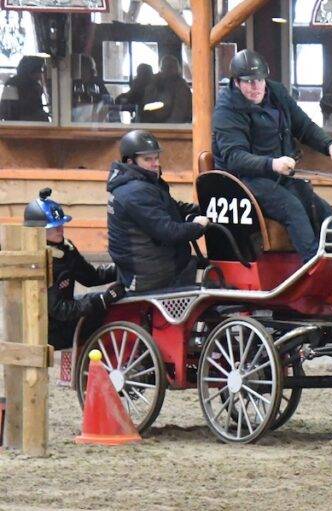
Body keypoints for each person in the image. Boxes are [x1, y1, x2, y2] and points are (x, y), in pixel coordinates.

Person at [212, 49, 332, 261]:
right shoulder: (226, 110)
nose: (256, 86)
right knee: (292, 208)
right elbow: (234, 158)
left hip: (278, 174)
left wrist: (328, 145)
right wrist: (273, 164)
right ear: (236, 82)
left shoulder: (277, 94)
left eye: (259, 80)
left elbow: (304, 126)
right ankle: (314, 264)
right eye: (248, 81)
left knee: (319, 207)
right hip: (243, 180)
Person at [107, 130, 210, 292]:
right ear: (130, 161)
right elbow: (168, 232)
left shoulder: (142, 183)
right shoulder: (135, 191)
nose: (155, 163)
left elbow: (171, 207)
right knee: (198, 268)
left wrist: (205, 209)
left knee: (197, 263)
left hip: (146, 265)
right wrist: (198, 227)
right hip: (149, 275)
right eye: (147, 159)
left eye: (156, 158)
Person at [24, 189, 123, 350]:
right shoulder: (37, 261)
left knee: (110, 303)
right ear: (37, 231)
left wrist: (123, 268)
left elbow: (91, 277)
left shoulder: (66, 248)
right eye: (53, 227)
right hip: (46, 330)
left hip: (62, 317)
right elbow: (59, 310)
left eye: (61, 225)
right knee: (99, 308)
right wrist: (100, 301)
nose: (60, 230)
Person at [139, 56, 192, 123]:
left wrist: (168, 126)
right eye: (164, 67)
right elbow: (147, 102)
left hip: (175, 125)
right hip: (153, 122)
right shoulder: (155, 82)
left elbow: (178, 113)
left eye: (170, 67)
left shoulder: (181, 87)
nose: (167, 70)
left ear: (177, 69)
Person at [0, 55, 49, 122]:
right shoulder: (12, 84)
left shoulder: (35, 85)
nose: (40, 74)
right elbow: (7, 112)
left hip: (34, 123)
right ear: (31, 71)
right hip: (17, 124)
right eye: (39, 70)